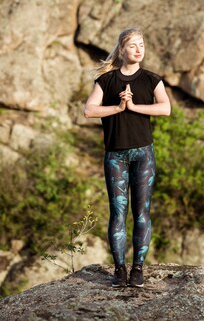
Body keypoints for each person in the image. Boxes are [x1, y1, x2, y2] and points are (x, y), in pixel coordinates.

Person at [84, 28, 170, 288]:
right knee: (118, 213)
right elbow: (89, 110)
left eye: (141, 45)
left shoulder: (152, 80)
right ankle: (120, 270)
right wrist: (119, 108)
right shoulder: (107, 81)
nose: (138, 49)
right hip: (116, 156)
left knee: (142, 212)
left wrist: (133, 107)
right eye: (132, 45)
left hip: (143, 154)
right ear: (121, 50)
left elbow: (165, 108)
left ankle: (138, 269)